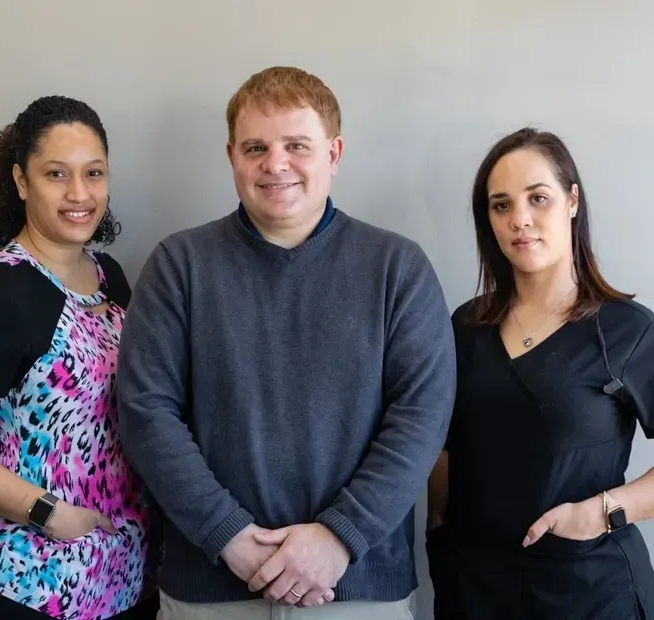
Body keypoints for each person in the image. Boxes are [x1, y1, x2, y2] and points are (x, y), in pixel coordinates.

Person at [116, 66, 456, 619]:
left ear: (334, 152)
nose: (275, 164)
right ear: (231, 156)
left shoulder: (398, 268)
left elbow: (422, 418)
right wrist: (229, 536)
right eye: (256, 147)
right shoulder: (180, 265)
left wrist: (339, 536)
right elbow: (145, 412)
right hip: (211, 587)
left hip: (356, 588)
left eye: (297, 144)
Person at [426, 127, 654, 619]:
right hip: (475, 590)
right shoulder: (465, 326)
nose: (520, 219)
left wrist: (598, 514)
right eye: (501, 205)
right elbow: (444, 446)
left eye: (537, 198)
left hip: (589, 593)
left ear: (572, 201)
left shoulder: (630, 332)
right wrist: (438, 531)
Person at [0, 95, 157, 620]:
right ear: (22, 182)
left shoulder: (109, 276)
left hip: (119, 574)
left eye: (93, 173)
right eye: (56, 174)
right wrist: (50, 513)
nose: (80, 193)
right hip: (25, 578)